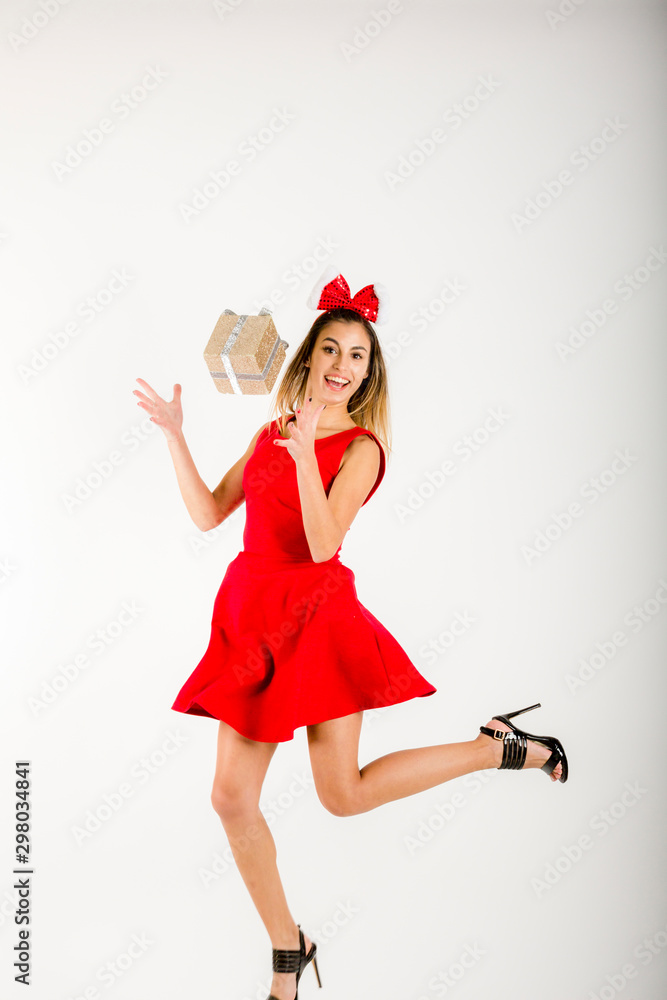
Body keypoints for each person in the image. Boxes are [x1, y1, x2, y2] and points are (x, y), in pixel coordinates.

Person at [133, 271, 568, 1000]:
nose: (341, 364)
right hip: (252, 617)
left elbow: (325, 541)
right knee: (230, 798)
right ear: (308, 357)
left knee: (342, 796)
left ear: (369, 373)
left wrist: (308, 454)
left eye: (357, 356)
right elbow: (211, 513)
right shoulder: (269, 430)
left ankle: (495, 747)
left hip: (318, 621)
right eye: (330, 348)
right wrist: (176, 438)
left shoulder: (361, 447)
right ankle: (287, 949)